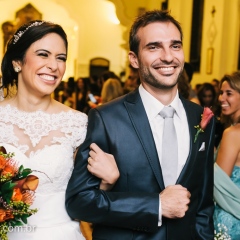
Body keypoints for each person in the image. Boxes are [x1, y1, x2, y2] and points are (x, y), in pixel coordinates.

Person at [66, 10, 215, 240]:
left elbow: (203, 205)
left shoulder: (201, 118)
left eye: (175, 46)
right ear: (134, 59)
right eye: (154, 47)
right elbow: (79, 203)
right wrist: (155, 205)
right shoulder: (107, 119)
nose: (168, 57)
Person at [0, 20, 118, 240]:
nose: (54, 66)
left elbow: (87, 199)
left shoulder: (78, 124)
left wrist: (107, 183)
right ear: (17, 62)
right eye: (43, 54)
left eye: (60, 58)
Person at [213, 71, 240, 239]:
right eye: (221, 93)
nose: (221, 98)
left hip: (229, 217)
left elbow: (217, 184)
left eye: (229, 93)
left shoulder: (232, 133)